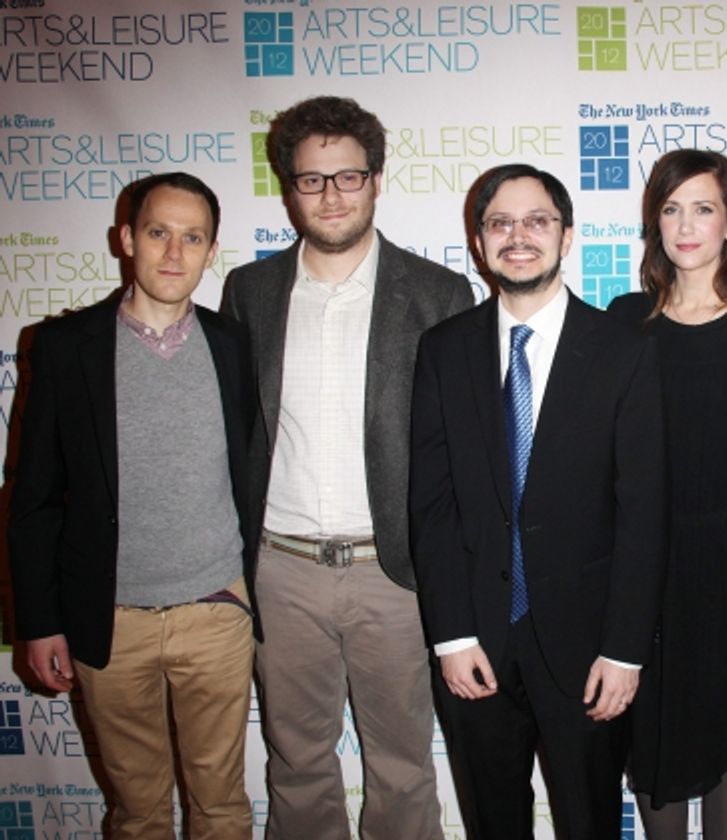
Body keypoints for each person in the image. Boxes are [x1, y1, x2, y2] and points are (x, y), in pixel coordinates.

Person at [221, 96, 473, 840]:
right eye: (311, 180)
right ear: (289, 189)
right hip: (282, 571)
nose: (331, 195)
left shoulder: (438, 294)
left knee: (401, 767)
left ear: (376, 179)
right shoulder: (250, 291)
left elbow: (458, 450)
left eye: (347, 176)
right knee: (295, 764)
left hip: (393, 573)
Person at [409, 164, 665, 839]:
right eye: (500, 223)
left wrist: (624, 650)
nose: (518, 236)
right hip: (476, 644)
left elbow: (644, 513)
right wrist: (452, 635)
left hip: (589, 652)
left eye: (537, 221)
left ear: (567, 235)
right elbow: (431, 506)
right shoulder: (443, 350)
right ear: (478, 240)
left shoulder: (625, 352)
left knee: (590, 823)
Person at [9, 172, 256, 839]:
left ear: (211, 251)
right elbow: (32, 497)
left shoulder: (234, 346)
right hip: (107, 623)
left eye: (193, 237)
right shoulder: (64, 347)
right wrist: (40, 620)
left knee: (222, 807)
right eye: (157, 232)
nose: (174, 253)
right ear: (126, 240)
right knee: (139, 812)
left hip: (216, 614)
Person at [606, 149, 727, 839]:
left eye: (704, 207)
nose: (687, 225)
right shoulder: (625, 321)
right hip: (645, 563)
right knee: (656, 734)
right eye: (671, 208)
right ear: (655, 223)